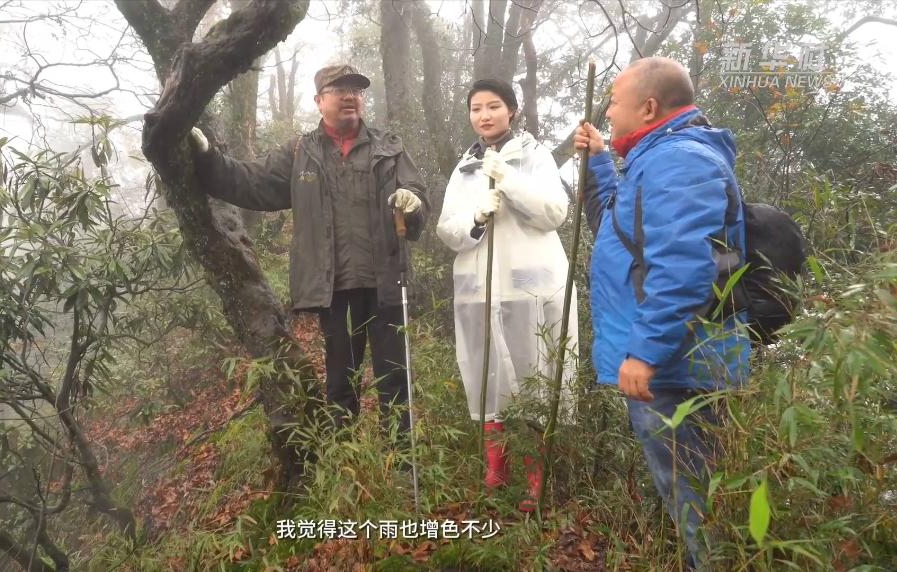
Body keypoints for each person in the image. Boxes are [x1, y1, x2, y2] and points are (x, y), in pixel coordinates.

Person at [575, 57, 750, 568]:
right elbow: (621, 228)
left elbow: (684, 268)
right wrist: (599, 160)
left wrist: (646, 353)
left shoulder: (679, 160)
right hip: (676, 363)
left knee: (698, 501)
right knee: (692, 494)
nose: (608, 111)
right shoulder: (658, 158)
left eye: (614, 102)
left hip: (678, 367)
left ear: (649, 107)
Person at [189, 64, 429, 436]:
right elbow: (250, 182)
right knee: (341, 386)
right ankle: (345, 461)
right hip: (334, 289)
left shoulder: (389, 147)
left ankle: (400, 462)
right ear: (319, 101)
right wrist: (207, 157)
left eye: (356, 90)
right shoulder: (301, 152)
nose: (350, 96)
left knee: (396, 380)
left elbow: (417, 196)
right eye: (339, 90)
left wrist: (413, 203)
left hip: (386, 284)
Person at [437, 79, 578, 512]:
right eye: (476, 108)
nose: (484, 115)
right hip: (479, 290)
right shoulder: (465, 167)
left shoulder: (533, 156)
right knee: (487, 377)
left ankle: (535, 478)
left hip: (529, 289)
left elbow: (554, 212)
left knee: (535, 377)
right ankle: (495, 470)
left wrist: (509, 179)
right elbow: (447, 229)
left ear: (511, 110)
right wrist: (476, 218)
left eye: (493, 106)